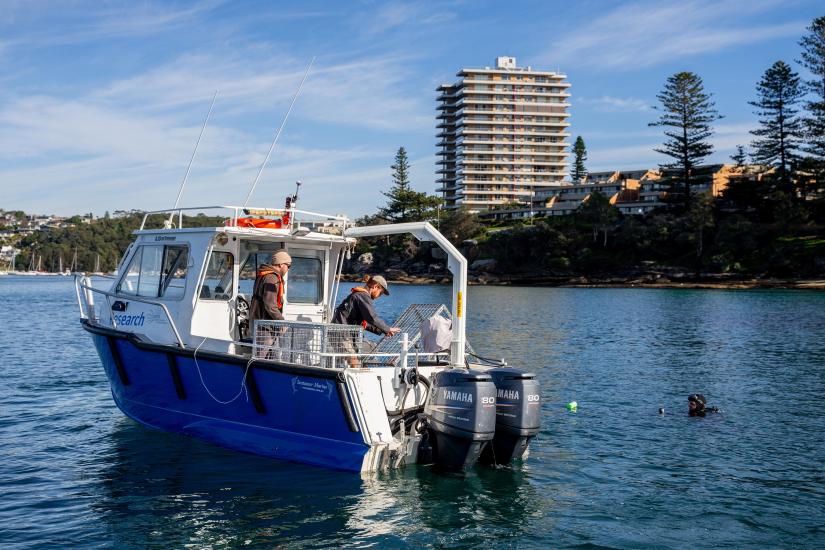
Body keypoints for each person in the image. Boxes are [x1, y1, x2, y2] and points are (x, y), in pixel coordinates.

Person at [332, 275, 400, 367]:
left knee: (358, 361)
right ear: (375, 286)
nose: (380, 296)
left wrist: (382, 330)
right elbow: (372, 317)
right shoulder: (362, 296)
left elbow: (364, 323)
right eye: (380, 293)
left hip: (344, 333)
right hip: (340, 333)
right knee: (353, 360)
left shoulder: (360, 295)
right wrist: (387, 329)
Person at [250, 250, 291, 358]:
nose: (288, 269)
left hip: (263, 324)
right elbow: (270, 305)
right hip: (265, 327)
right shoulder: (272, 278)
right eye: (288, 265)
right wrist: (282, 321)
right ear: (281, 264)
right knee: (262, 358)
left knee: (272, 357)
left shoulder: (264, 275)